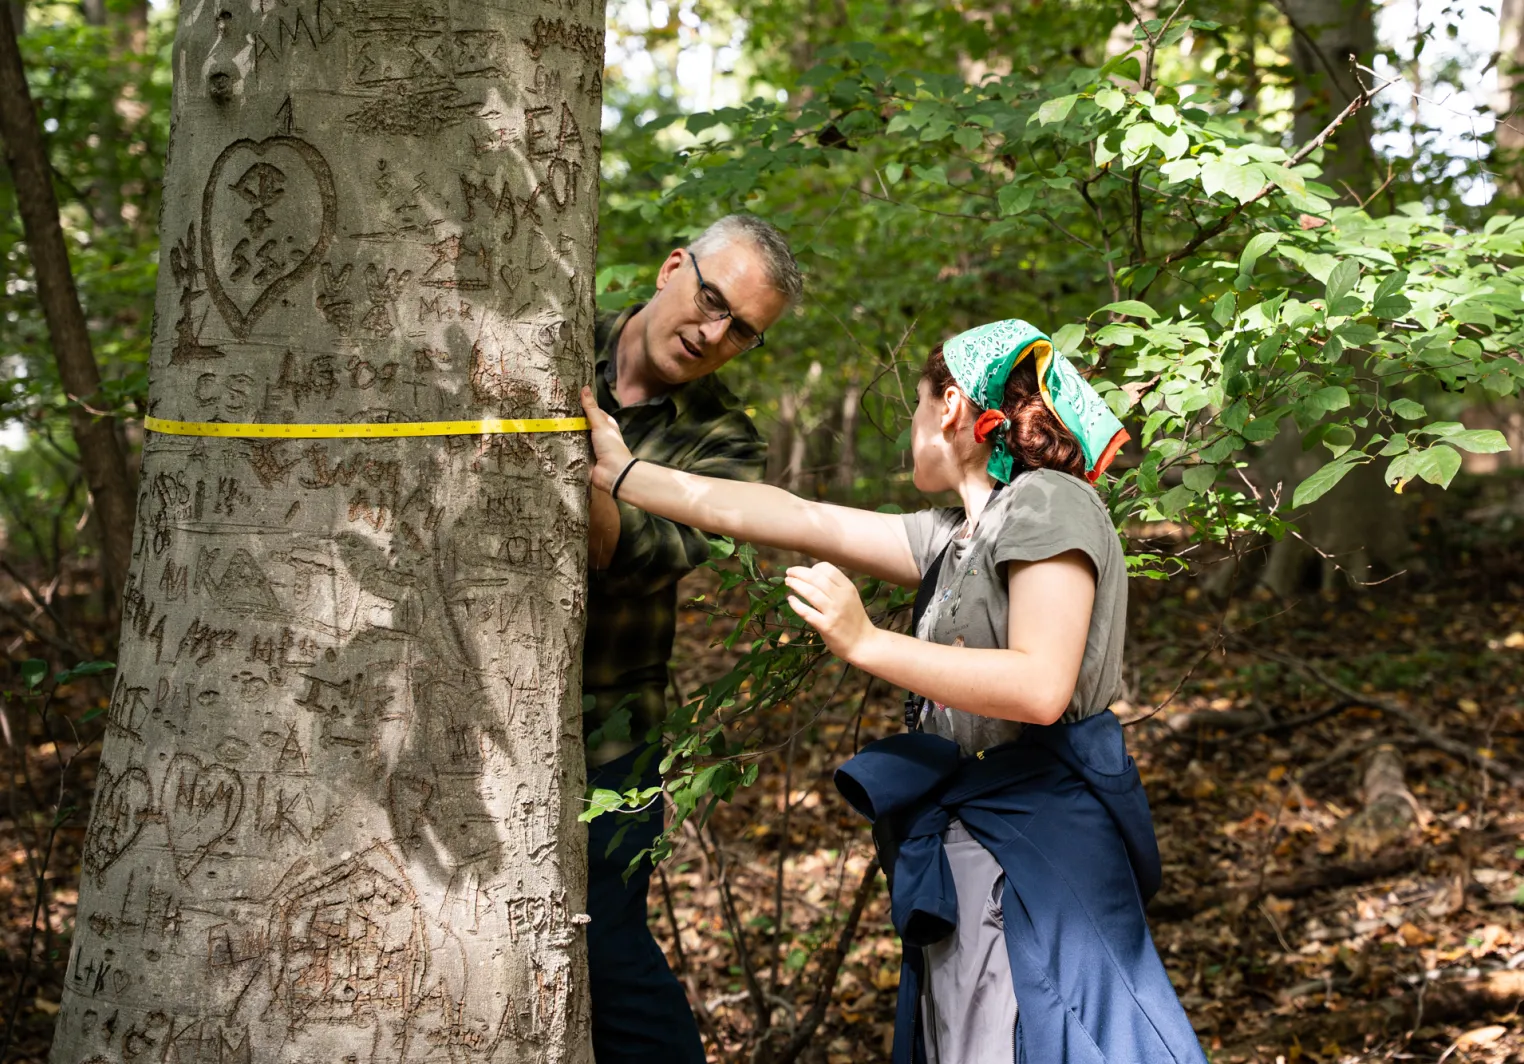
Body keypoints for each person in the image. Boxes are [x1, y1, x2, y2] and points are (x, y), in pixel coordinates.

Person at [579, 319, 1208, 1063]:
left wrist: (866, 642)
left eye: (918, 406)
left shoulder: (1048, 504)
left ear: (949, 409)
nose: (910, 426)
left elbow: (1041, 686)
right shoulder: (959, 534)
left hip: (1039, 847)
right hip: (978, 842)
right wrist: (623, 475)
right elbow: (795, 516)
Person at [582, 214, 802, 1063]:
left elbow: (623, 555)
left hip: (612, 728)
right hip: (469, 702)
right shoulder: (554, 334)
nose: (714, 335)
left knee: (608, 946)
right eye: (711, 300)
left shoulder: (726, 441)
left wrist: (596, 453)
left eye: (741, 332)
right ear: (674, 265)